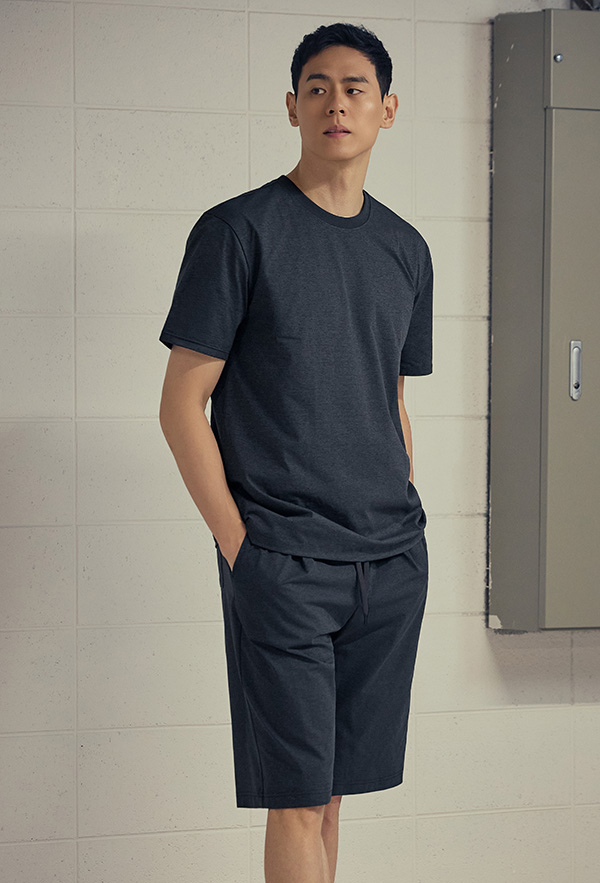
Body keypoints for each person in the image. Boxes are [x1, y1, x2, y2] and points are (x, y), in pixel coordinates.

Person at [158, 21, 433, 883]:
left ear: (388, 109)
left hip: (388, 560)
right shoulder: (238, 231)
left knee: (333, 793)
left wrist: (403, 517)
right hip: (283, 560)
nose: (335, 103)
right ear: (291, 107)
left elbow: (391, 400)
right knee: (298, 796)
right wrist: (243, 549)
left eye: (355, 88)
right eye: (317, 87)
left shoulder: (406, 248)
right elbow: (181, 405)